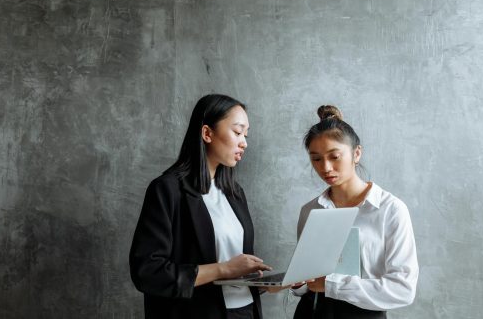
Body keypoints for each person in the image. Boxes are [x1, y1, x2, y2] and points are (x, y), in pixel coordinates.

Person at [130, 94, 286, 319]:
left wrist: (264, 284)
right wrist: (222, 269)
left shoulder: (235, 193)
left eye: (246, 134)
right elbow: (147, 272)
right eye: (237, 131)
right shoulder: (167, 190)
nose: (244, 142)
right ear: (207, 133)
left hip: (246, 311)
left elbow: (233, 276)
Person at [291, 105, 419, 319]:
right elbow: (307, 280)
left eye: (334, 156)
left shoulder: (390, 209)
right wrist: (298, 282)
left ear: (356, 153)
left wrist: (331, 285)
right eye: (316, 159)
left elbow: (403, 289)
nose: (326, 167)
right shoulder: (310, 210)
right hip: (311, 312)